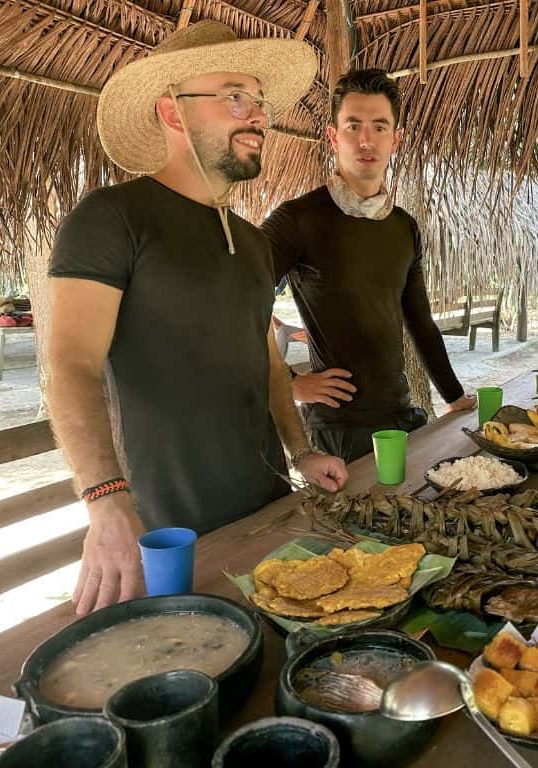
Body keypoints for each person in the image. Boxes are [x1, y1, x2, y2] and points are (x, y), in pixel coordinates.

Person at [46, 21, 347, 616]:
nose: (258, 115)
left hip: (268, 511)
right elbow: (70, 363)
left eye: (259, 101)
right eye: (235, 96)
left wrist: (301, 452)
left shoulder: (255, 244)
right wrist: (105, 500)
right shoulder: (113, 218)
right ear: (172, 111)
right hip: (166, 535)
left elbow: (264, 360)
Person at [262, 68, 476, 463]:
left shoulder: (402, 226)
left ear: (396, 139)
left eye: (379, 127)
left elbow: (420, 322)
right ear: (333, 135)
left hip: (403, 416)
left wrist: (453, 395)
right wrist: (292, 384)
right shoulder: (298, 219)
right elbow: (236, 303)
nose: (366, 139)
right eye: (353, 125)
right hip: (340, 431)